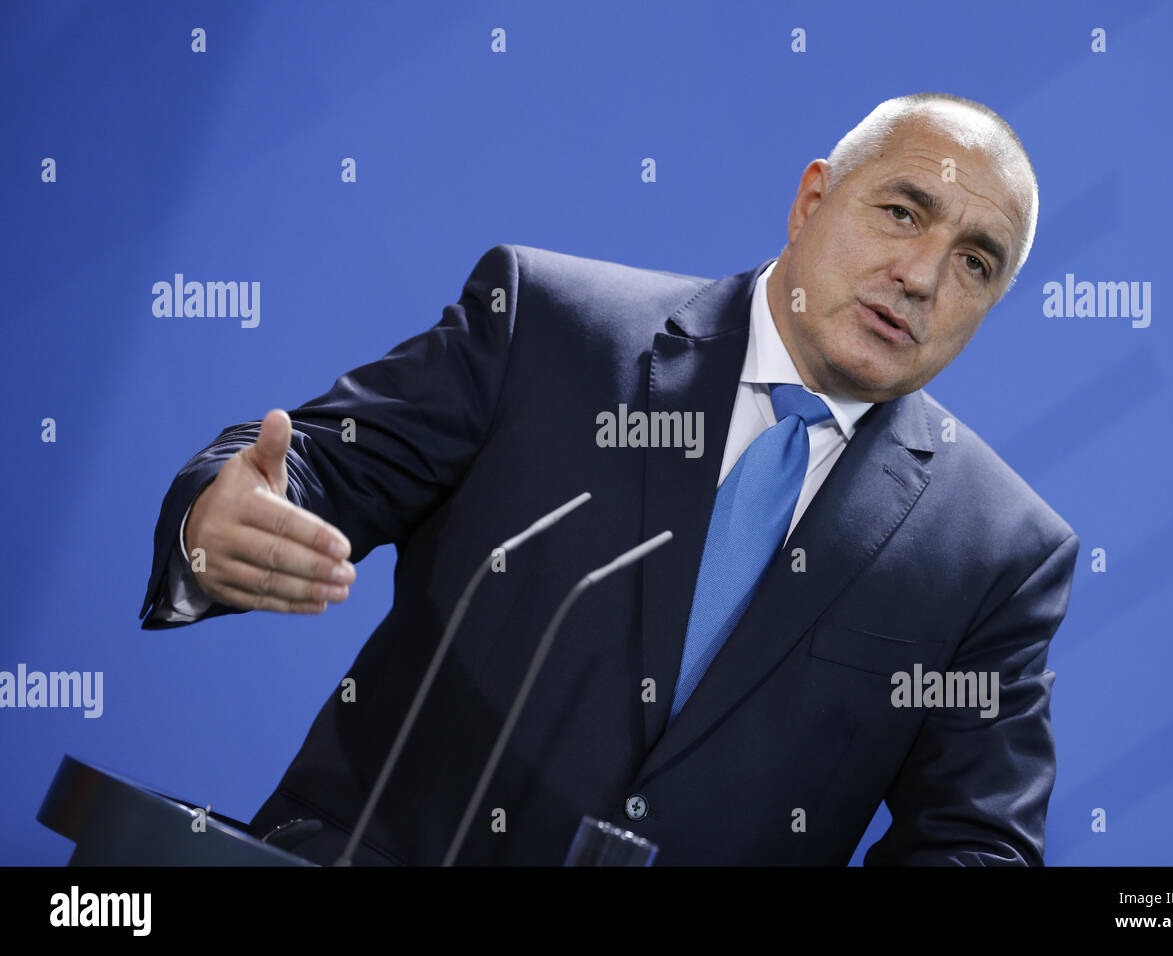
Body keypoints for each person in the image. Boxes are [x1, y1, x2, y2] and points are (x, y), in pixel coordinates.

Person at [140, 92, 1079, 865]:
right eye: (903, 211)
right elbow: (315, 462)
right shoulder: (548, 329)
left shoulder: (996, 550)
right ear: (812, 201)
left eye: (974, 262)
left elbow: (975, 843)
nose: (920, 275)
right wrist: (216, 520)